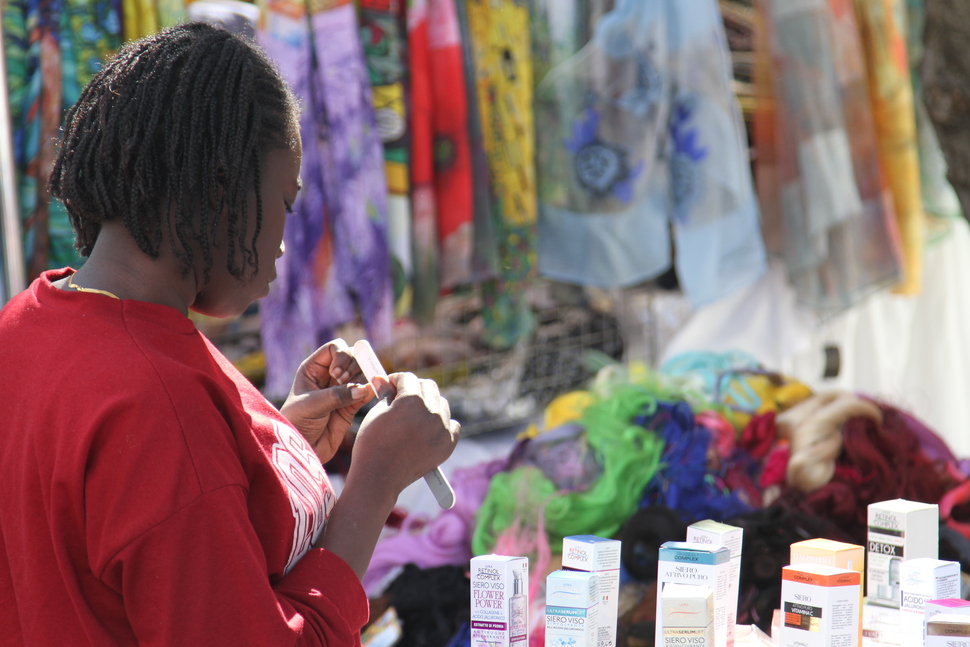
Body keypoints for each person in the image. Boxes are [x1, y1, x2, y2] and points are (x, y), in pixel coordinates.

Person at [0, 22, 459, 646]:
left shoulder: (30, 323)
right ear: (224, 190)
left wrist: (271, 442)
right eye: (285, 202)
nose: (283, 241)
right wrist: (377, 480)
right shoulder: (156, 400)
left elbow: (125, 528)